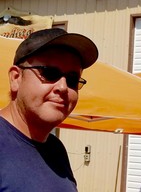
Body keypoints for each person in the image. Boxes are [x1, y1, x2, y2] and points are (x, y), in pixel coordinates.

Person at [0, 28, 98, 191]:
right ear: (16, 78)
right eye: (50, 73)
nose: (63, 87)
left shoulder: (56, 150)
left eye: (72, 79)